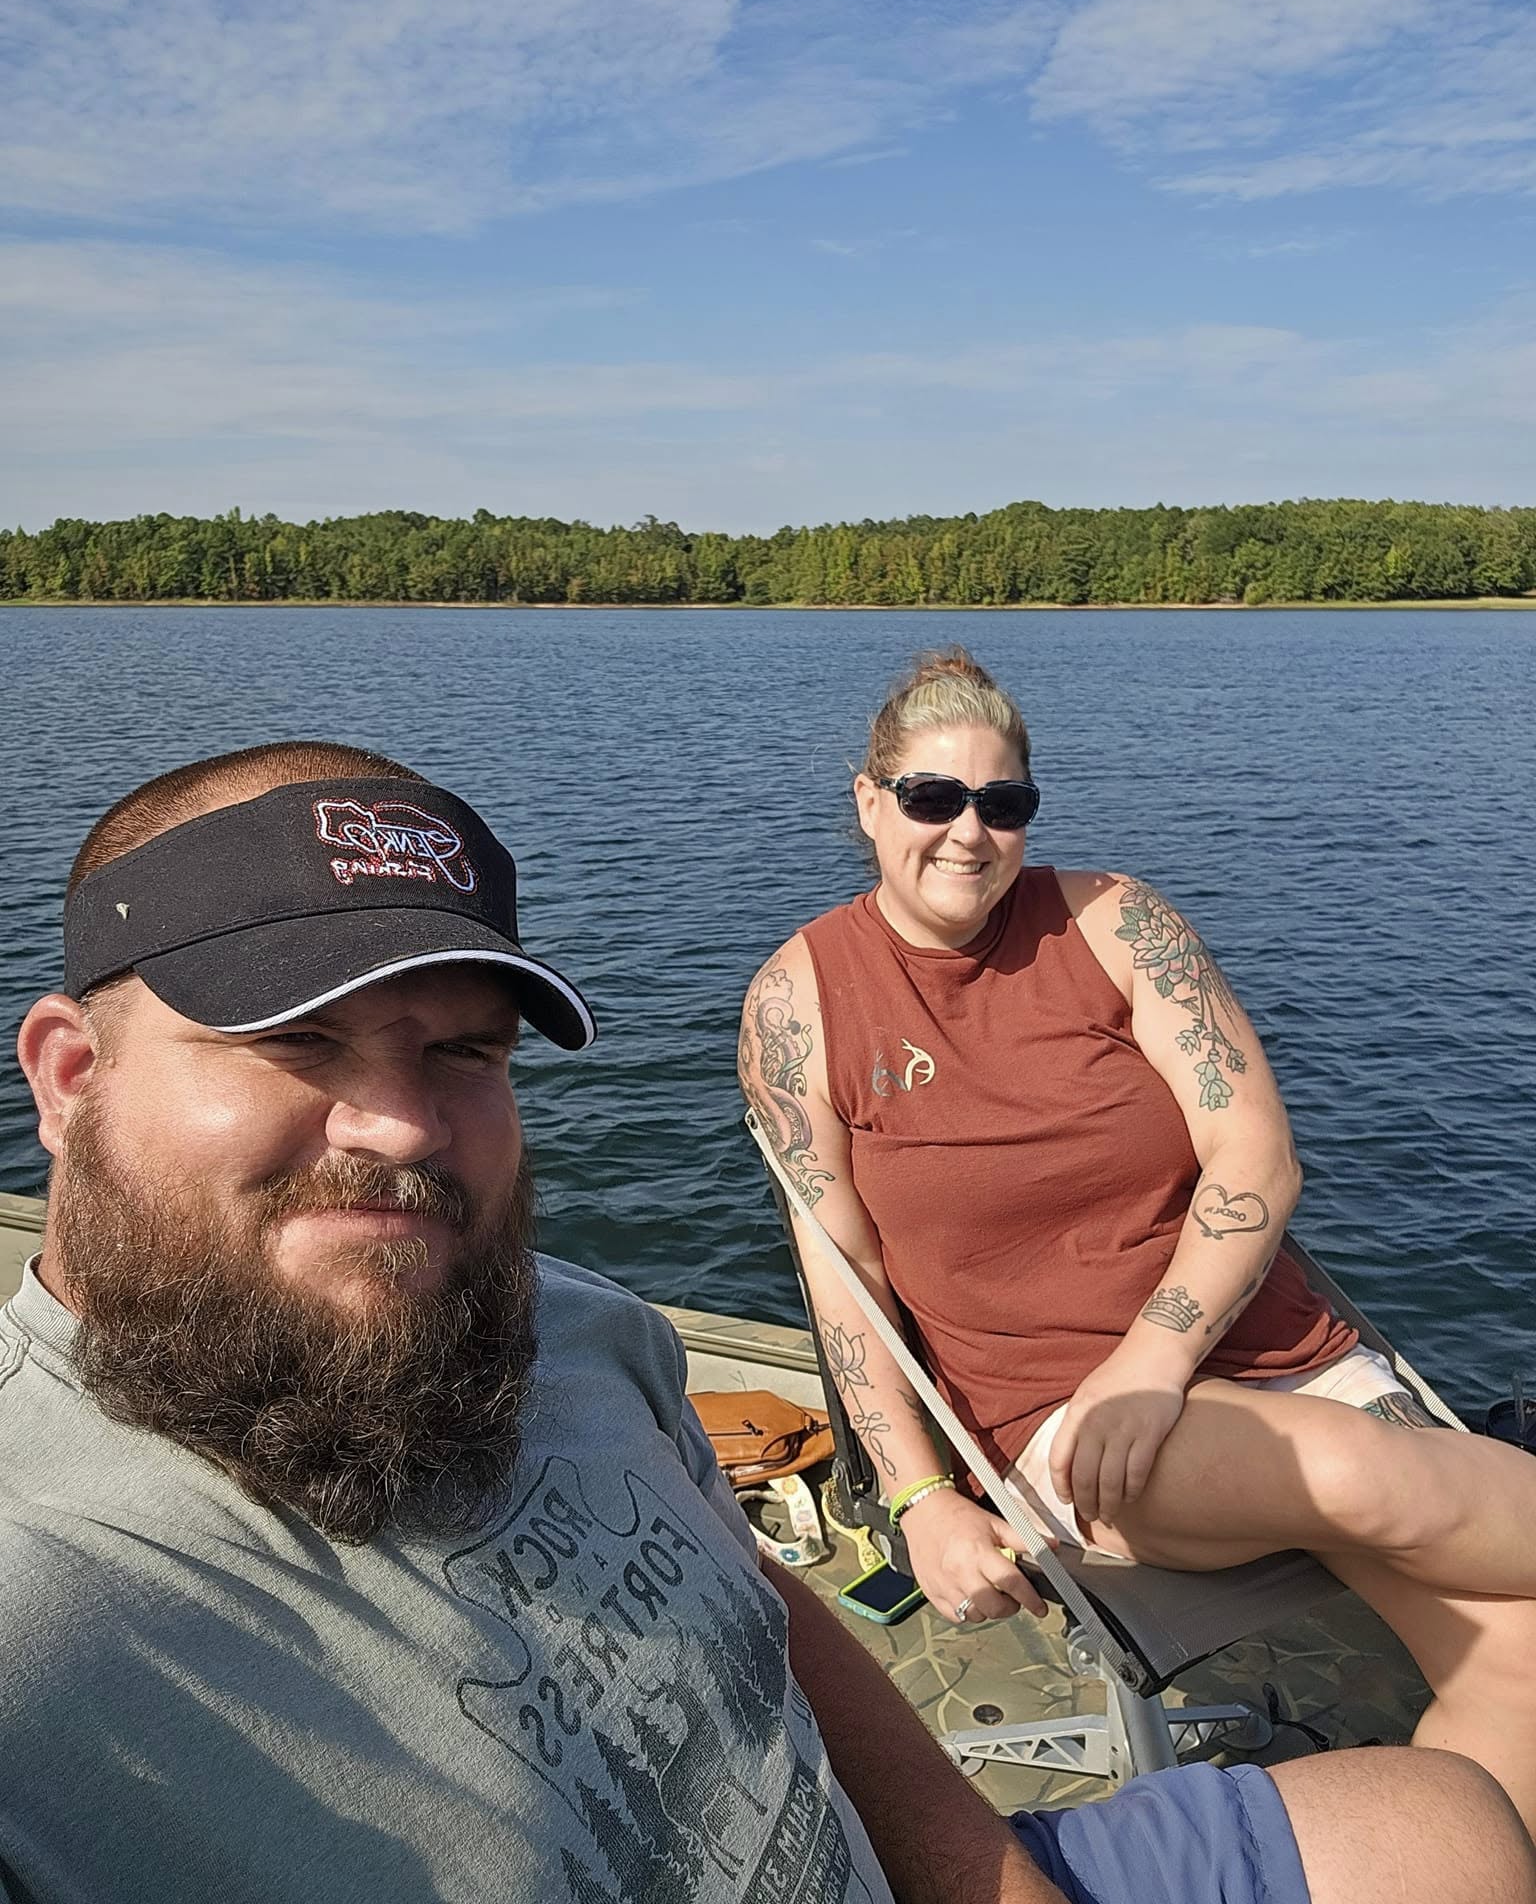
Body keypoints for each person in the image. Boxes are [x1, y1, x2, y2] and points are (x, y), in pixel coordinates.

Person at [1, 742, 1529, 1904]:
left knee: (1445, 1826)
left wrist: (979, 1877)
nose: (402, 1124)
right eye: (296, 1039)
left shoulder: (581, 1334)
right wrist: (927, 1490)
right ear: (72, 1076)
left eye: (465, 1052)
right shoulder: (46, 1609)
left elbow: (767, 1615)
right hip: (1076, 1436)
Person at [738, 647, 1536, 1839]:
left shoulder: (1118, 924)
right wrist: (918, 1498)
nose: (969, 833)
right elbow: (844, 1277)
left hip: (1251, 1353)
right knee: (1360, 1472)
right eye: (932, 798)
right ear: (869, 801)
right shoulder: (801, 1001)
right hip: (1074, 1419)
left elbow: (1255, 1156)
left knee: (1521, 1657)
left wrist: (1157, 1354)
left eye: (1003, 804)